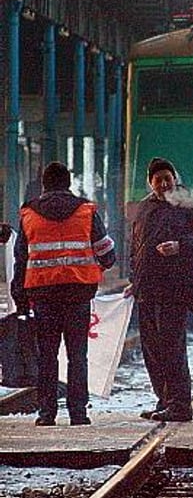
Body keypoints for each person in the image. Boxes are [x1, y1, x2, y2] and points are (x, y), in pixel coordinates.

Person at [10, 161, 115, 426]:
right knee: (77, 355)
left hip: (43, 296)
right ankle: (78, 413)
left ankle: (47, 414)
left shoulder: (29, 214)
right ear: (68, 183)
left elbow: (21, 258)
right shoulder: (86, 211)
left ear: (44, 185)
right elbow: (106, 252)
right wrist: (99, 264)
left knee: (47, 355)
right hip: (78, 295)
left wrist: (19, 295)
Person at [128, 158, 193, 422]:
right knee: (152, 350)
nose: (163, 183)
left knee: (172, 348)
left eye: (167, 178)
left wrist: (180, 246)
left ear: (175, 179)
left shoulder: (186, 206)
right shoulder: (145, 208)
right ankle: (164, 399)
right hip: (147, 289)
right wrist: (135, 280)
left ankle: (180, 404)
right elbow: (136, 246)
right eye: (158, 179)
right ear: (150, 182)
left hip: (173, 289)